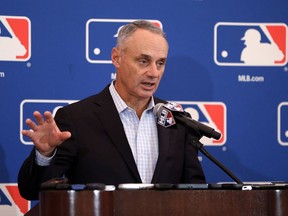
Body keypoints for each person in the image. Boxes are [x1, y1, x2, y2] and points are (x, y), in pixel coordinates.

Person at [18, 20, 206, 200]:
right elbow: (31, 191)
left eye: (160, 63)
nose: (154, 72)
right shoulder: (77, 118)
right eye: (143, 61)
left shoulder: (177, 120)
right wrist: (44, 155)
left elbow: (196, 192)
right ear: (116, 57)